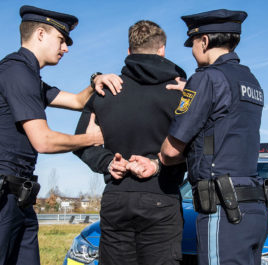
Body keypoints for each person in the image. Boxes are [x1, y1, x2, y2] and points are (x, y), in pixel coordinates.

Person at [129, 9, 268, 265]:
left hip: (224, 208)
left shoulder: (205, 79)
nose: (193, 51)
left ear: (204, 41)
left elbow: (172, 150)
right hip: (254, 206)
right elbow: (223, 129)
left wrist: (157, 158)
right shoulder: (250, 80)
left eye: (193, 43)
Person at [0, 5, 123, 265]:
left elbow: (77, 101)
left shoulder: (31, 78)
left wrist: (96, 81)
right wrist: (90, 139)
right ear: (41, 34)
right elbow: (43, 140)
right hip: (5, 197)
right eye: (62, 39)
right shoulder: (16, 72)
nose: (66, 47)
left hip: (20, 198)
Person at [73, 20, 187, 265]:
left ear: (128, 52)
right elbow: (194, 146)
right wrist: (157, 163)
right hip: (162, 194)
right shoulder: (180, 93)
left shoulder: (104, 90)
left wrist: (107, 163)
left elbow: (80, 142)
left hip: (116, 195)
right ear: (162, 50)